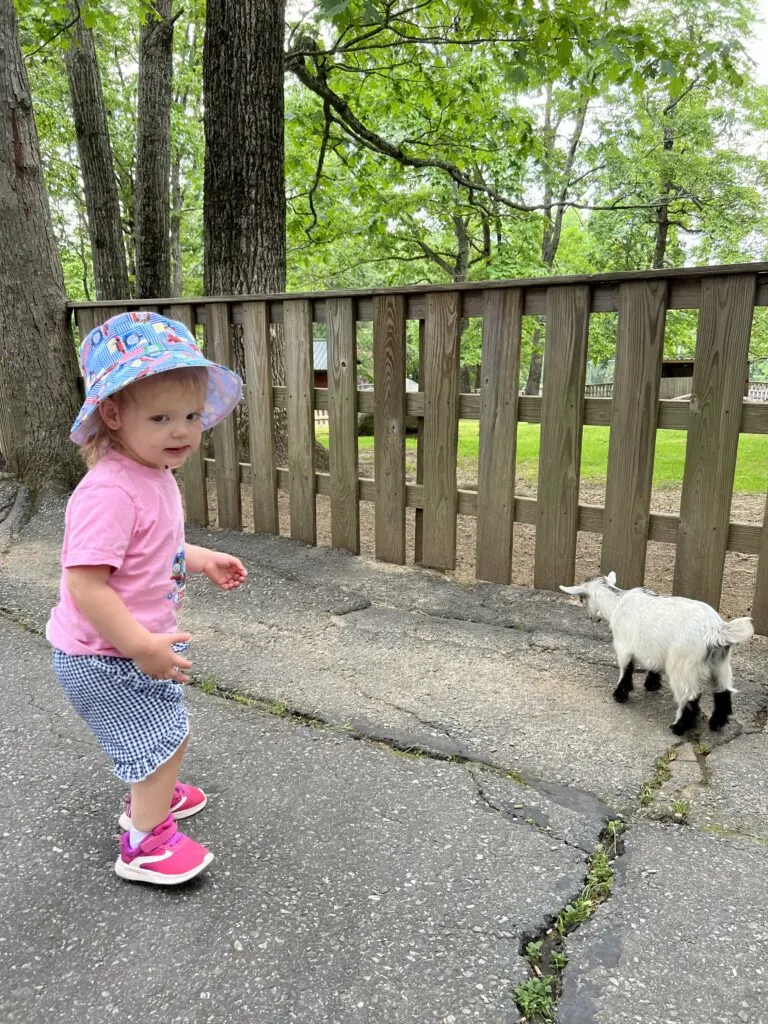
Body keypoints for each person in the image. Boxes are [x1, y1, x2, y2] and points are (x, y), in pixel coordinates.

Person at [46, 311, 247, 886]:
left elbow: (152, 544)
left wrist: (199, 557)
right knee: (160, 742)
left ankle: (152, 799)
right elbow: (86, 583)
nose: (180, 431)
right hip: (103, 656)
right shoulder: (108, 491)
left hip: (129, 647)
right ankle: (144, 843)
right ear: (113, 414)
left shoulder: (150, 472)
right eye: (160, 417)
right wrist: (140, 647)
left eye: (190, 416)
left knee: (168, 732)